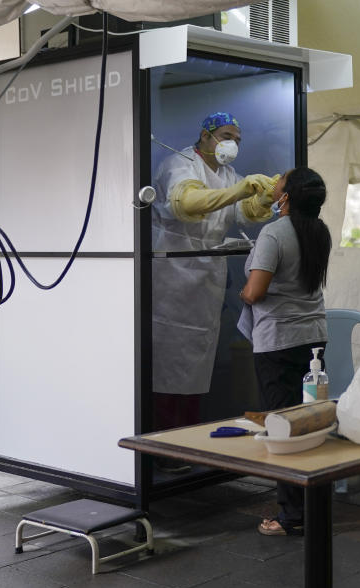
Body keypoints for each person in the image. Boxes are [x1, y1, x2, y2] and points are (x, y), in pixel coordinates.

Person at [151, 112, 278, 472]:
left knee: (196, 367)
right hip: (171, 280)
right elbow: (187, 204)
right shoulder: (180, 164)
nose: (232, 144)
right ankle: (165, 446)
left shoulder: (226, 174)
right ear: (205, 135)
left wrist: (263, 197)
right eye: (226, 135)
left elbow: (243, 212)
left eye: (237, 138)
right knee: (166, 367)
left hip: (205, 281)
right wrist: (240, 189)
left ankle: (188, 442)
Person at [239, 167, 332, 536]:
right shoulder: (318, 232)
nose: (274, 186)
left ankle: (292, 516)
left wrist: (244, 294)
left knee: (281, 427)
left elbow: (255, 291)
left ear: (287, 197)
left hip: (277, 339)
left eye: (279, 184)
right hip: (314, 336)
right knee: (308, 422)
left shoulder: (274, 234)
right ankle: (312, 505)